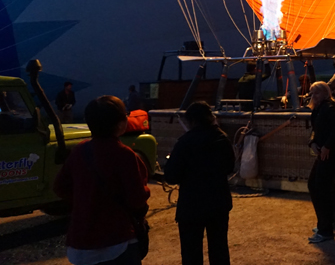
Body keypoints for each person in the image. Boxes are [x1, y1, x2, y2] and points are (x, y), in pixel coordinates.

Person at [54, 95, 150, 265]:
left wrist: (85, 198)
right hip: (117, 241)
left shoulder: (79, 151)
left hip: (81, 242)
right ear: (120, 124)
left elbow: (60, 187)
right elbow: (137, 199)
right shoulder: (125, 155)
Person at [164, 101, 236, 265]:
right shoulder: (222, 139)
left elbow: (171, 176)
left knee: (191, 253)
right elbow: (229, 167)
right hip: (218, 202)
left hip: (191, 204)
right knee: (219, 250)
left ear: (192, 121)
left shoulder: (184, 142)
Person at [307, 81, 335, 243]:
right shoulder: (321, 108)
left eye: (316, 93)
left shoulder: (328, 108)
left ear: (324, 93)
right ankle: (326, 222)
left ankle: (325, 227)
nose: (313, 96)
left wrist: (327, 146)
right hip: (324, 151)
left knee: (320, 188)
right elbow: (317, 130)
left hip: (328, 154)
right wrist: (313, 142)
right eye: (312, 93)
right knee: (317, 186)